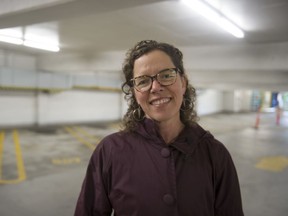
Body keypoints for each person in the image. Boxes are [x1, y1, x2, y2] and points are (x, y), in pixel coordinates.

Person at [74, 40, 244, 216]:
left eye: (166, 75)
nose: (155, 87)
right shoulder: (109, 151)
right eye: (143, 81)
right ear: (134, 92)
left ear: (183, 83)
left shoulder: (215, 154)